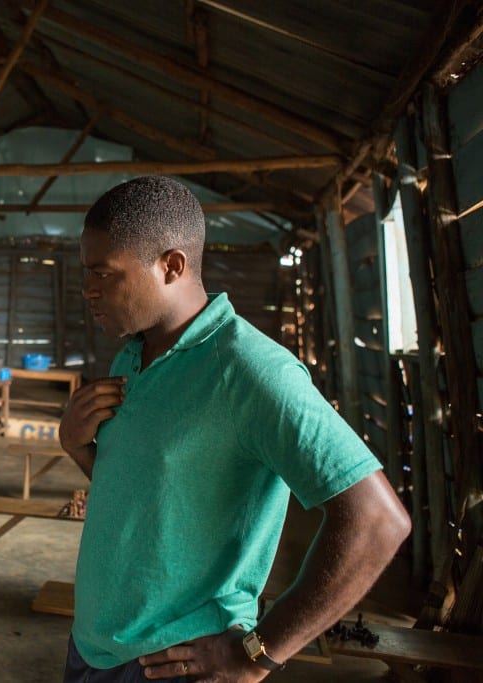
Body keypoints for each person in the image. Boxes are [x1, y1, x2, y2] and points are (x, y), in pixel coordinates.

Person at [58, 176, 411, 682]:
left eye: (103, 274)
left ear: (171, 265)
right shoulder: (132, 354)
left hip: (172, 660)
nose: (88, 289)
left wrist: (259, 652)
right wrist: (77, 446)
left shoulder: (251, 371)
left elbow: (377, 521)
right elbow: (153, 501)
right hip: (95, 646)